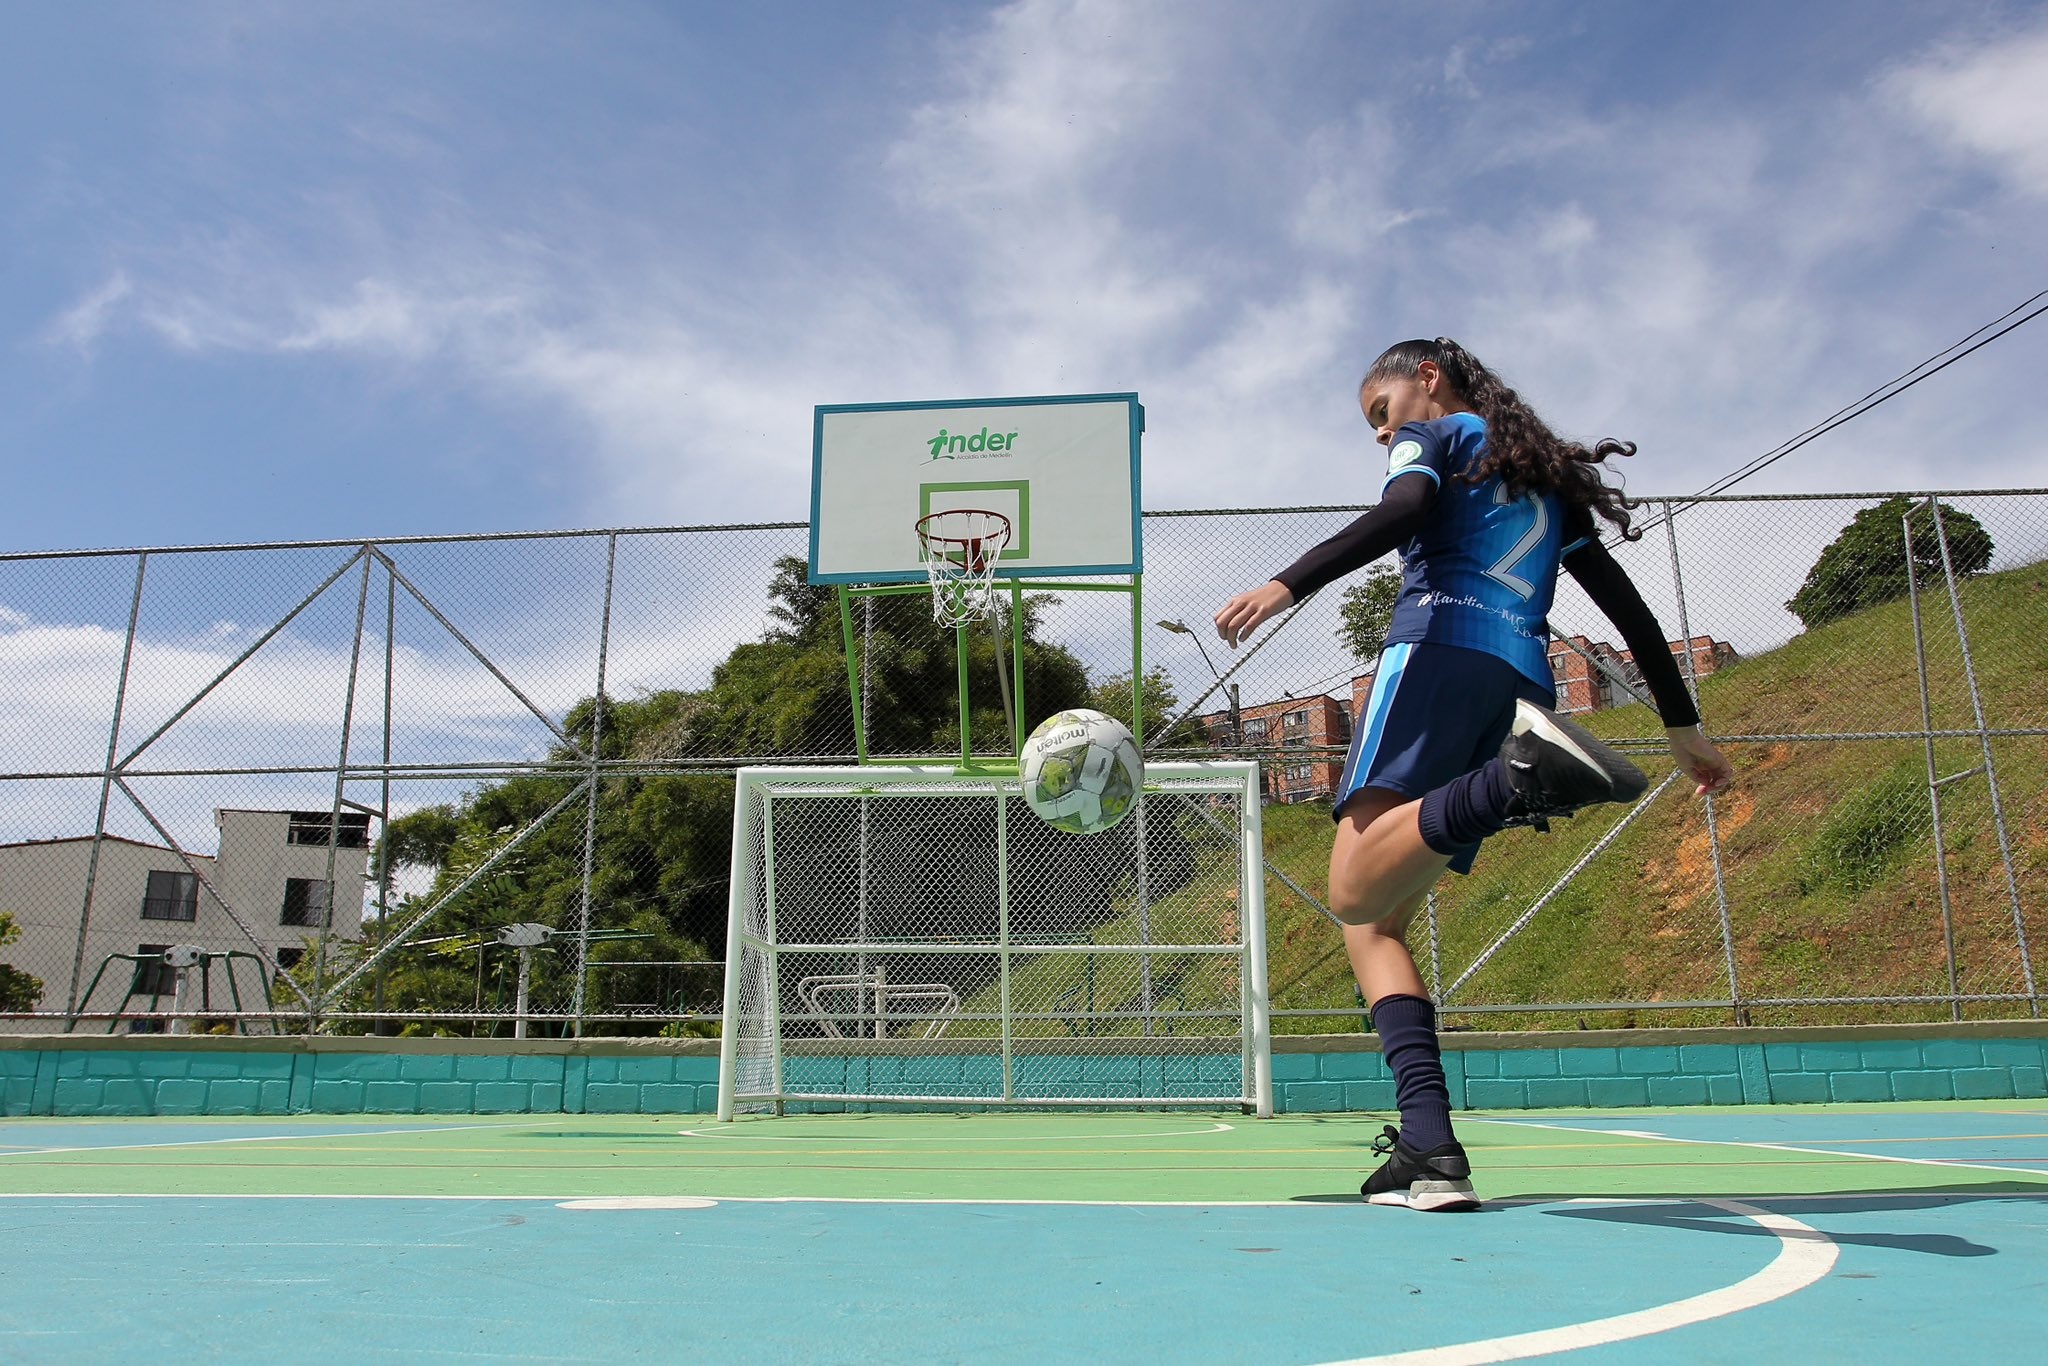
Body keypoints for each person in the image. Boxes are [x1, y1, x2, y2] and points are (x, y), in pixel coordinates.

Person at [1214, 338, 1733, 1212]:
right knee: (1375, 923)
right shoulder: (1546, 484)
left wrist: (1286, 582)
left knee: (1347, 889)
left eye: (1381, 414)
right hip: (1513, 682)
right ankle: (1429, 1149)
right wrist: (1683, 727)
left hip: (1434, 657)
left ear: (1425, 379)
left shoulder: (1443, 431)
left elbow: (1405, 509)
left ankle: (1515, 783)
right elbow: (1630, 611)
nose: (1382, 436)